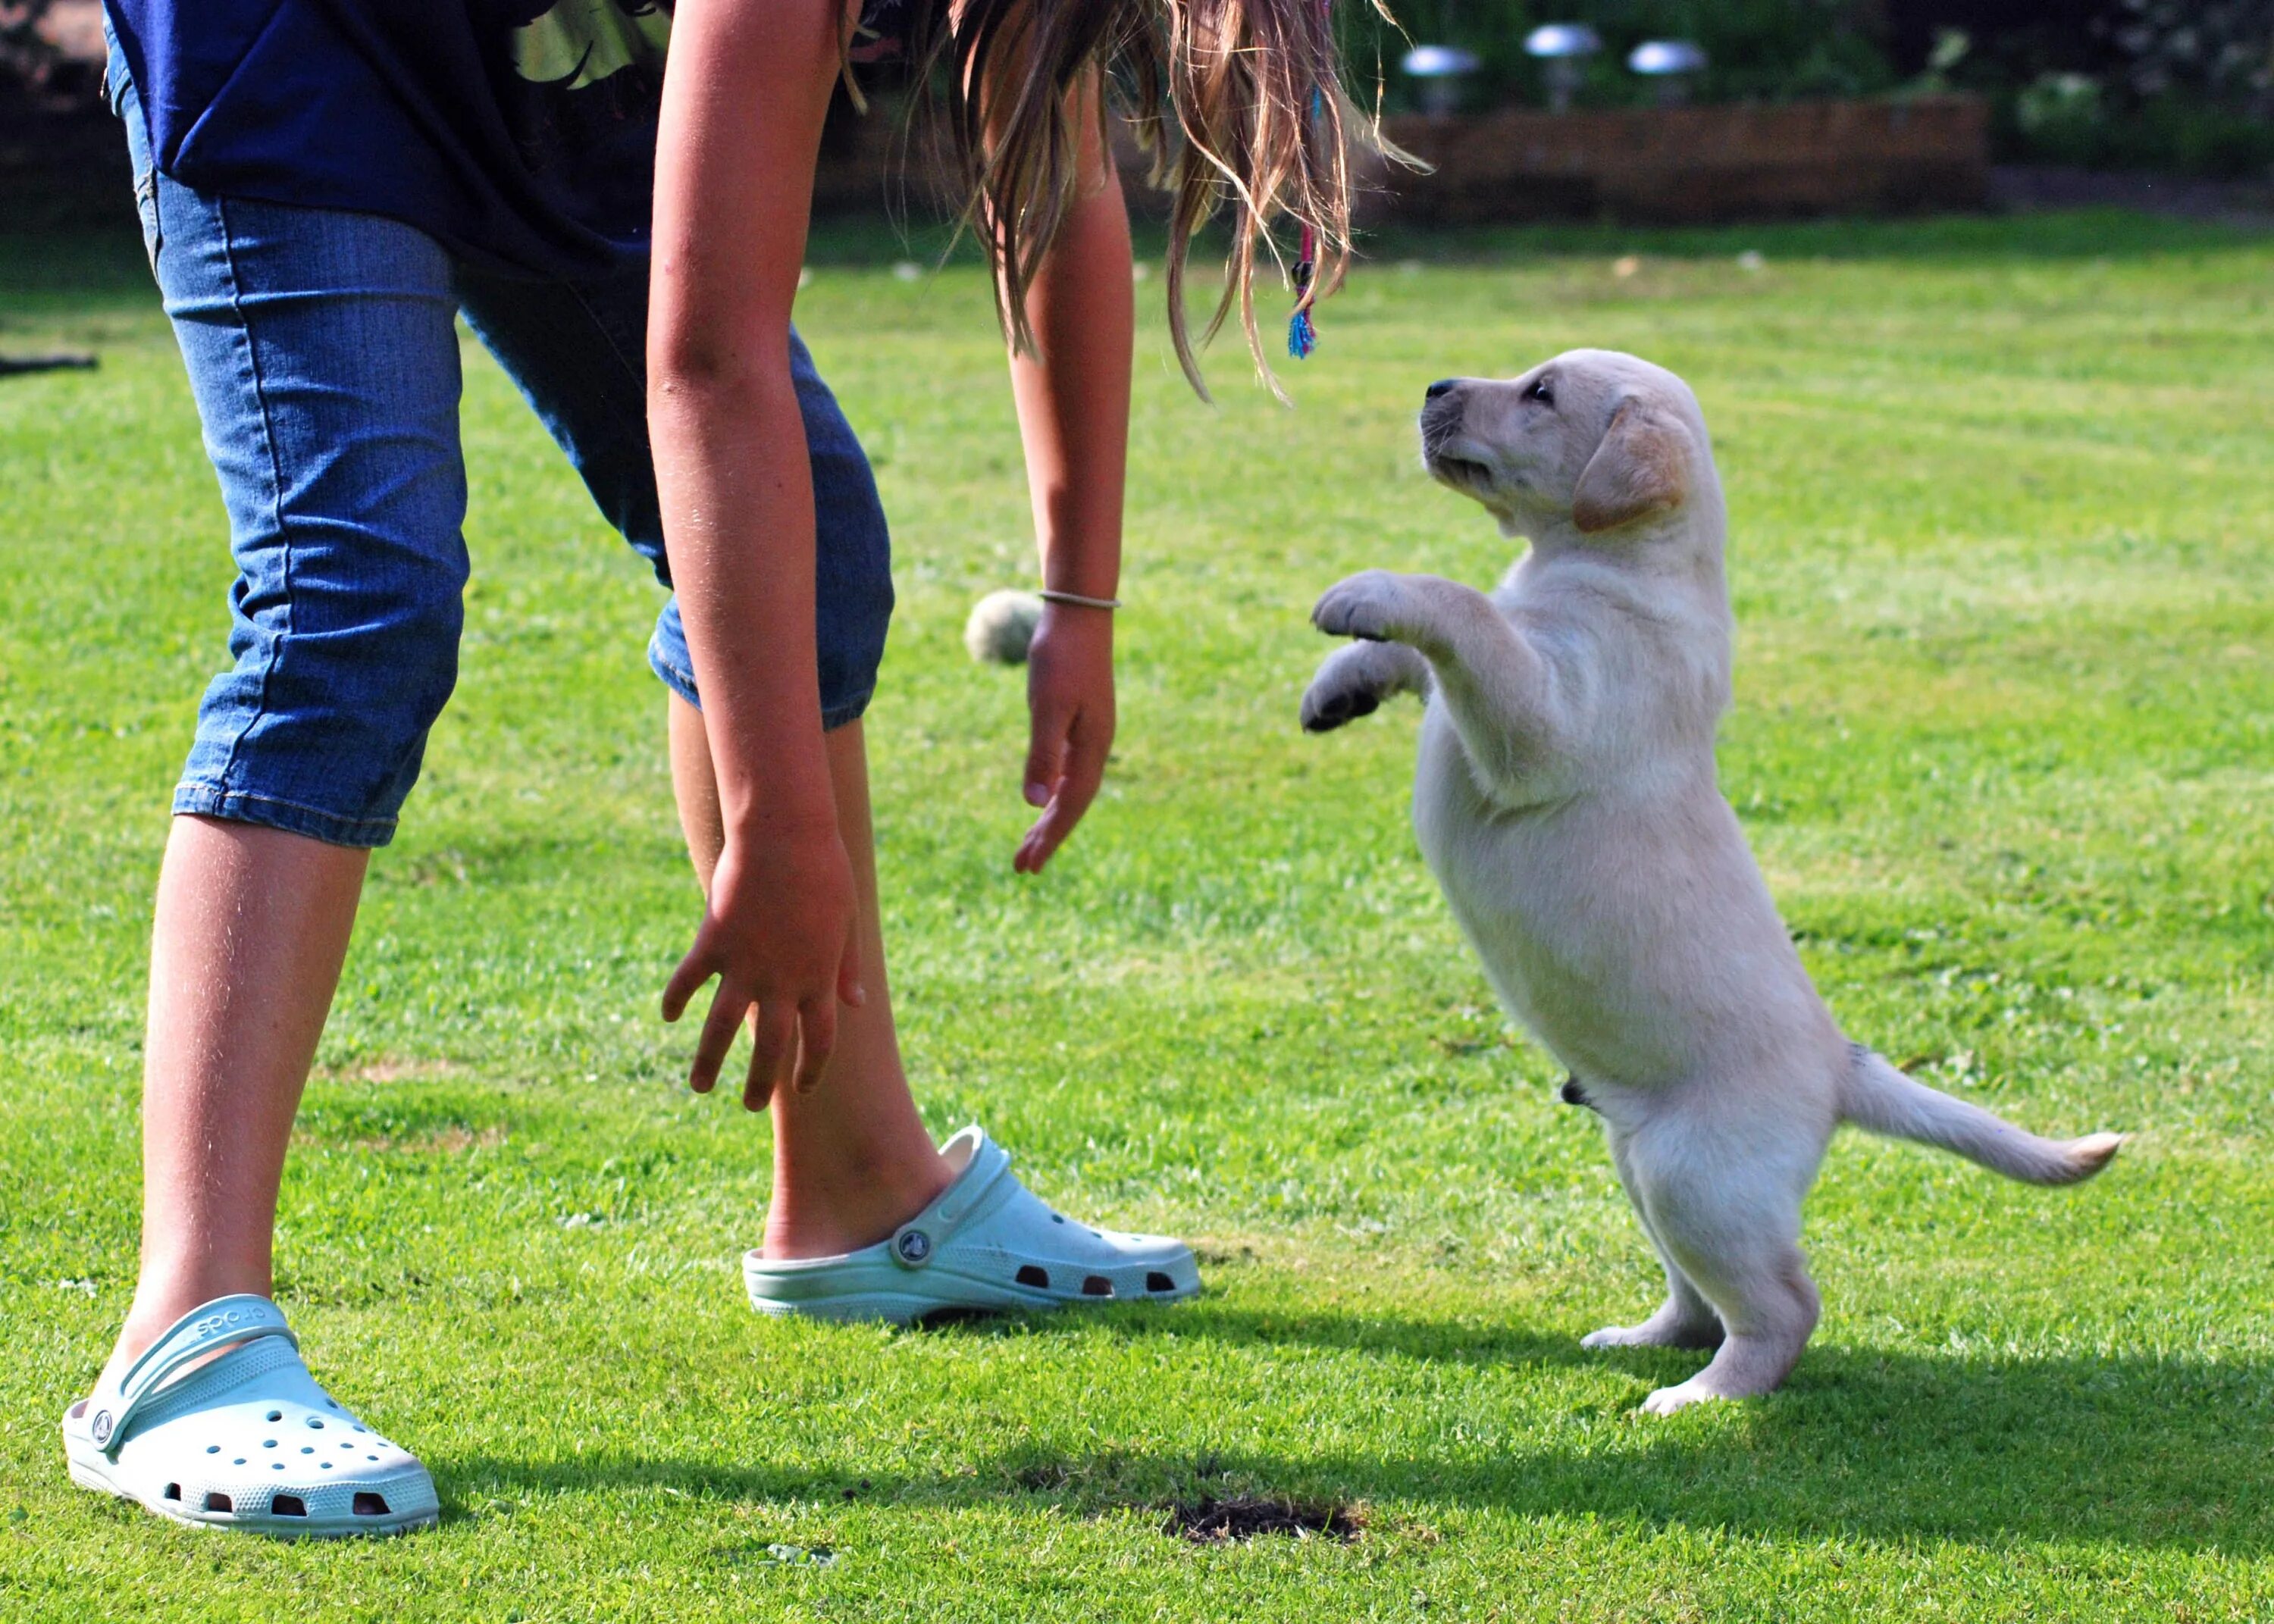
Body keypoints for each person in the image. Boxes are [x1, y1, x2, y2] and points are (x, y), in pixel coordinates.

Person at [64, 0, 1366, 1537]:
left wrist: (1079, 598)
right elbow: (706, 365)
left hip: (533, 70)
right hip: (299, 43)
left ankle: (862, 1189)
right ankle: (184, 1328)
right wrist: (777, 828)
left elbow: (1051, 178)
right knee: (356, 595)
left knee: (806, 526)